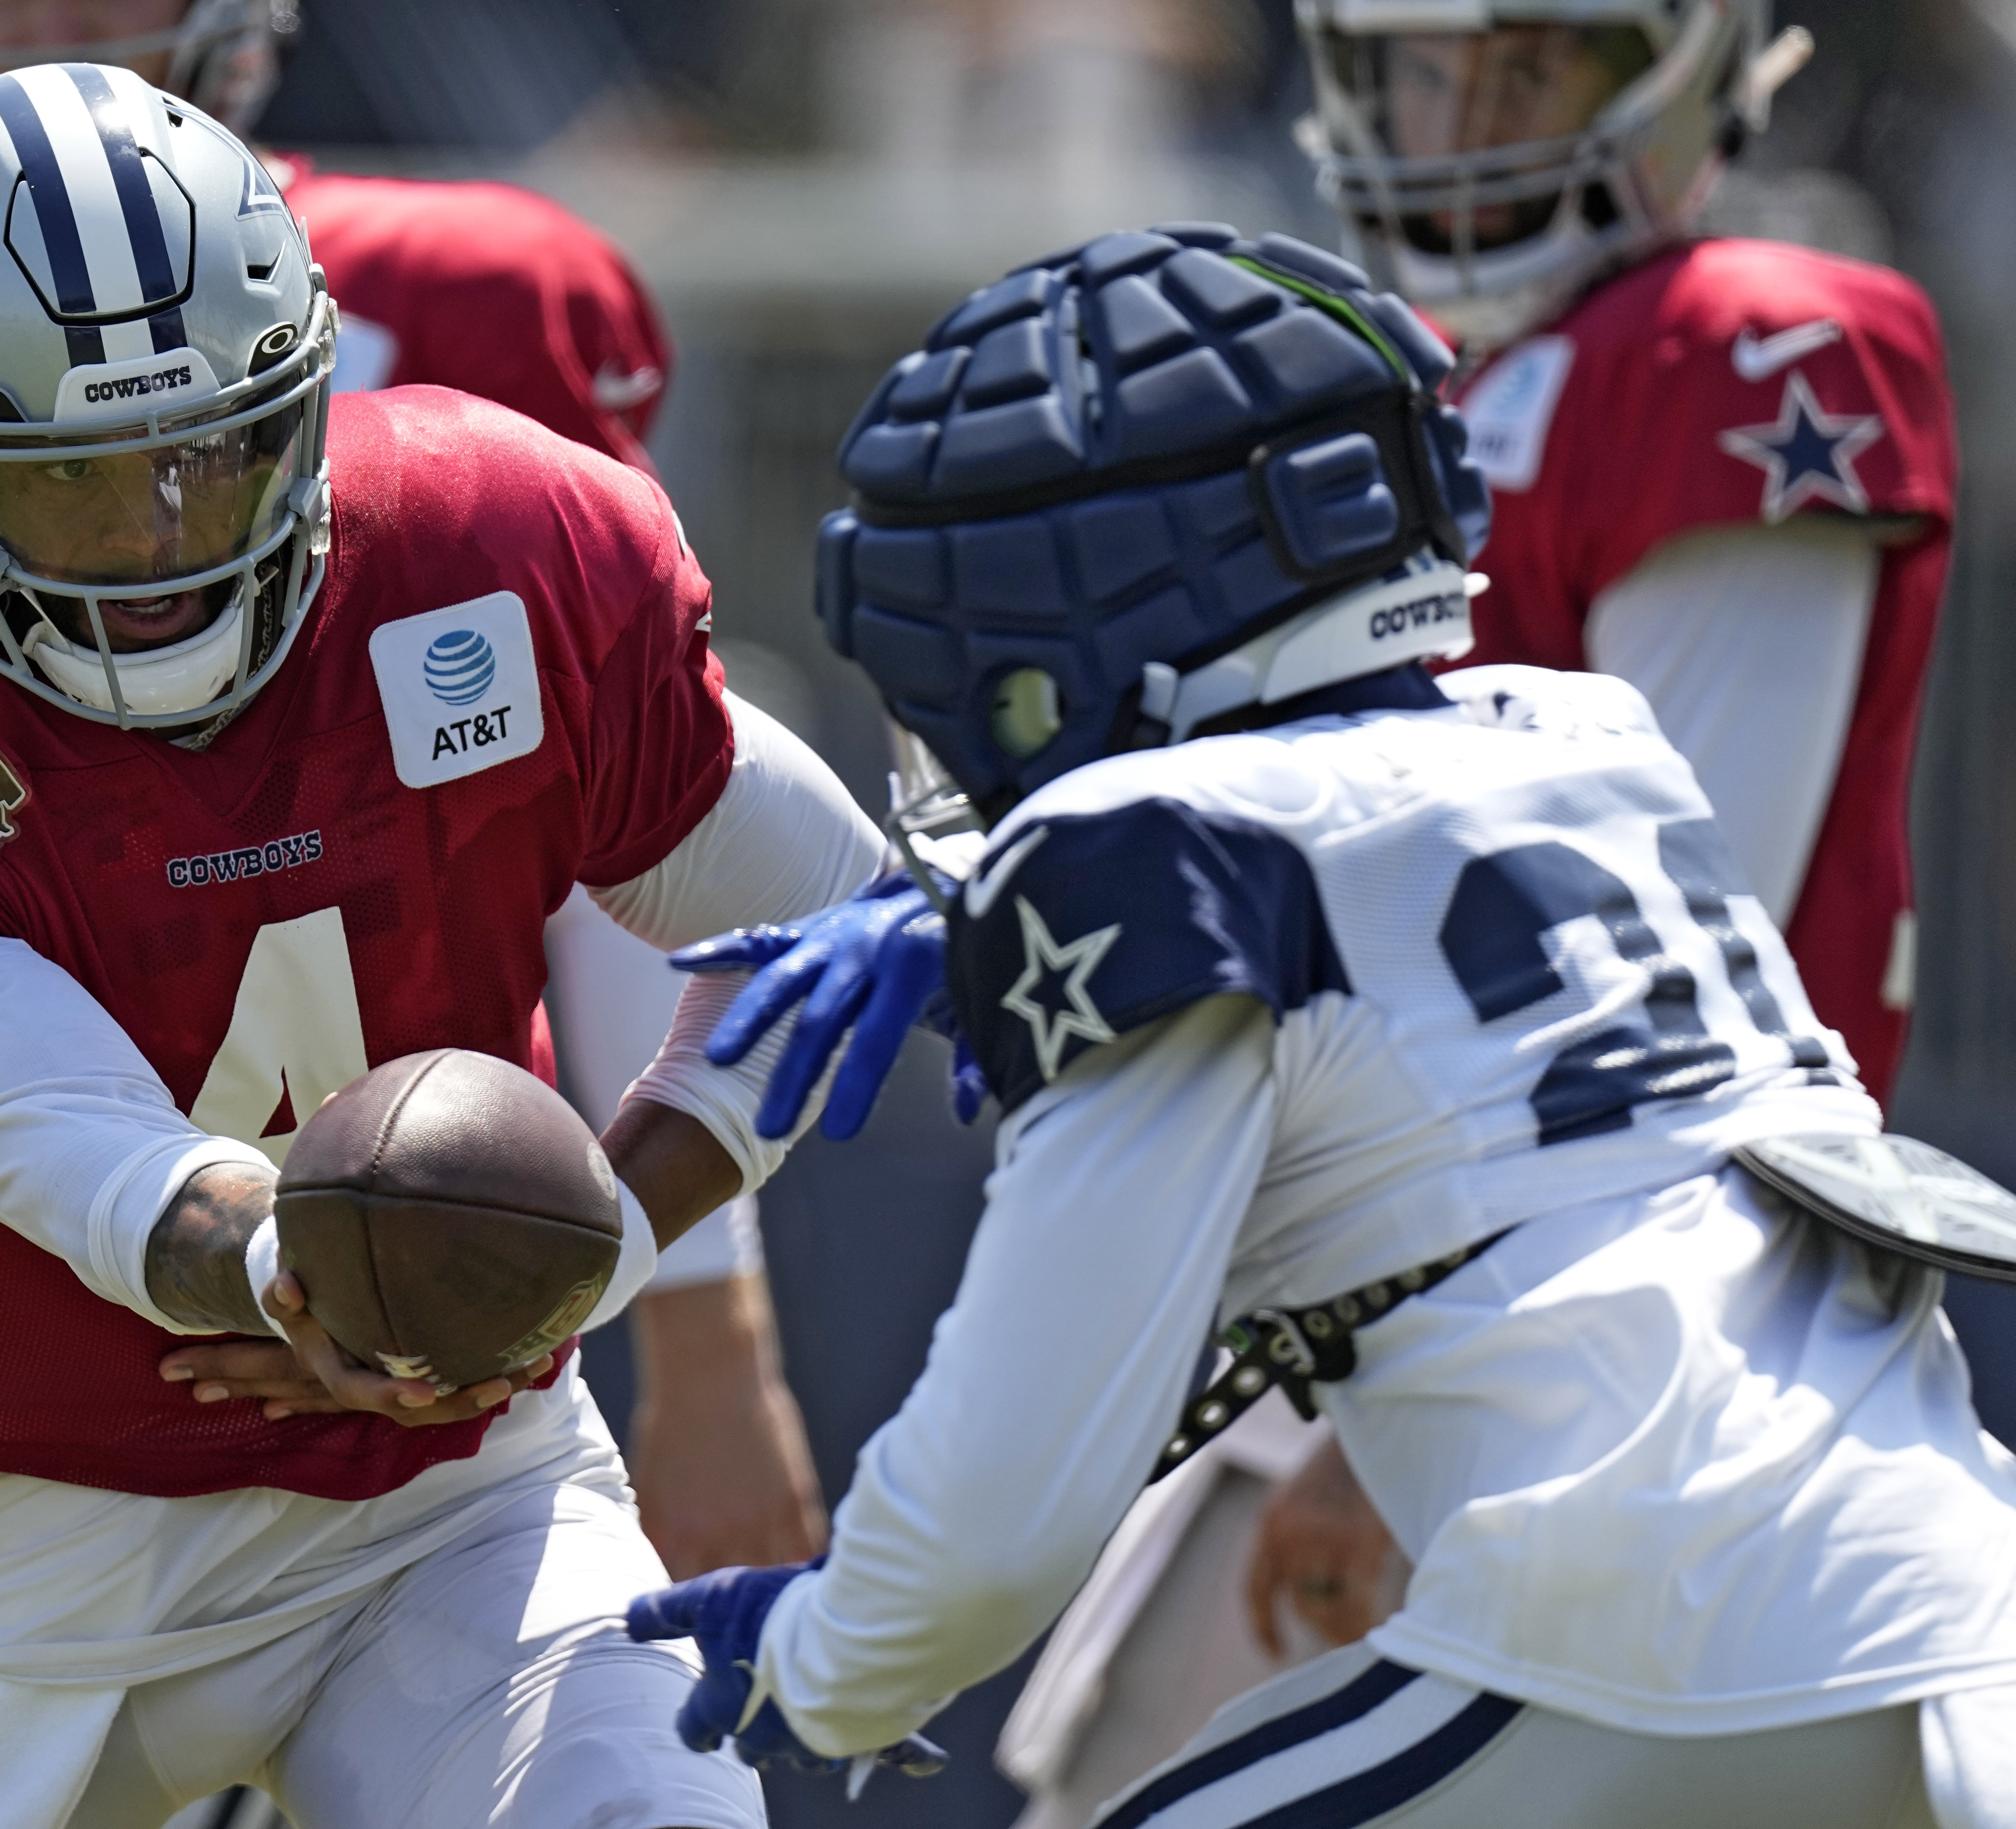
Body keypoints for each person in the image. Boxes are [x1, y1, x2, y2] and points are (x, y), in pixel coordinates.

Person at [629, 223, 2016, 1827]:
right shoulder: (1580, 734)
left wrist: (823, 1655)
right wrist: (976, 927)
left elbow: (998, 1507)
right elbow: (1371, 894)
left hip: (1641, 1635)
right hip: (1961, 1611)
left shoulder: (1149, 858)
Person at [0, 0, 823, 1653]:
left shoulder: (471, 295)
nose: (65, 18)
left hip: (427, 1205)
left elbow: (610, 823)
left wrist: (703, 1324)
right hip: (1, 1228)